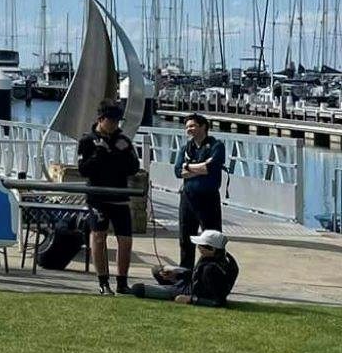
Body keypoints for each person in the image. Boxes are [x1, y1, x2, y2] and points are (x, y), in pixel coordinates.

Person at [76, 103, 139, 293]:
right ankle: (103, 282)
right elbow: (84, 170)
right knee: (98, 237)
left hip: (120, 196)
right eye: (111, 121)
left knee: (125, 240)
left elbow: (133, 168)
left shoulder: (123, 141)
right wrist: (100, 152)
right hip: (98, 196)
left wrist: (120, 153)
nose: (114, 125)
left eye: (117, 121)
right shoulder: (87, 141)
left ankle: (122, 282)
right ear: (101, 119)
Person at [174, 113, 227, 270]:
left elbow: (210, 168)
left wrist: (188, 167)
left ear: (203, 126)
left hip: (208, 198)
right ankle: (186, 273)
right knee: (185, 237)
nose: (188, 129)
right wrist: (200, 167)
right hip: (188, 198)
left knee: (212, 238)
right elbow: (178, 171)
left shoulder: (217, 146)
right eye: (187, 127)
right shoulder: (185, 149)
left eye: (192, 126)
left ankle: (214, 270)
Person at [132, 229, 239, 305]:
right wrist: (177, 274)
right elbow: (197, 274)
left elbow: (218, 301)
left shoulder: (212, 269)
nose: (198, 248)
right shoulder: (216, 257)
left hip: (188, 292)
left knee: (138, 289)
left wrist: (190, 299)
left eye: (201, 246)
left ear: (212, 249)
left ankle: (167, 290)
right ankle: (168, 282)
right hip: (190, 284)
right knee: (157, 270)